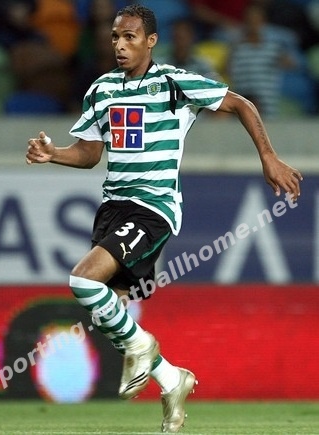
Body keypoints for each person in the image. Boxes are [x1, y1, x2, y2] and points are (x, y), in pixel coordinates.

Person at [25, 4, 302, 433]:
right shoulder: (101, 89)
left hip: (153, 207)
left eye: (130, 37)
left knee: (83, 280)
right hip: (112, 208)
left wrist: (268, 156)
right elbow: (91, 153)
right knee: (111, 313)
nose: (120, 45)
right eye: (115, 37)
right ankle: (172, 379)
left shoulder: (174, 82)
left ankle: (144, 346)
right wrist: (54, 154)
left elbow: (241, 103)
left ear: (151, 41)